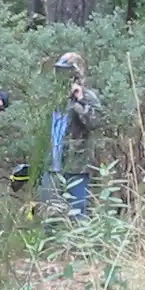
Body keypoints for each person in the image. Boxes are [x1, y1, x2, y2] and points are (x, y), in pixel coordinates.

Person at [49, 52, 105, 218]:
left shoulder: (88, 97)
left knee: (78, 214)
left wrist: (80, 101)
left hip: (76, 166)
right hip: (53, 165)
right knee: (52, 214)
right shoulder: (55, 96)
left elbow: (94, 123)